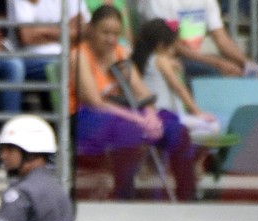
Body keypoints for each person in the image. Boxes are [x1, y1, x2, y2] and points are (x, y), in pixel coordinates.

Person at [71, 5, 197, 201]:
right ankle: (125, 199)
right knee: (129, 131)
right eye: (105, 32)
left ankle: (188, 199)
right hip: (88, 117)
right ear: (91, 29)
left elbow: (142, 93)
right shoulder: (79, 56)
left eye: (115, 34)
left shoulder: (121, 53)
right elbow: (95, 102)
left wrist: (151, 116)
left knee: (176, 129)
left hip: (124, 115)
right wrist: (137, 119)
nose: (111, 39)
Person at [131, 18, 221, 138]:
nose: (174, 51)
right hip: (164, 115)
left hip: (159, 114)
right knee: (213, 125)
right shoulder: (161, 60)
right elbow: (179, 88)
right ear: (161, 46)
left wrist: (172, 63)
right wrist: (197, 112)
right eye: (173, 47)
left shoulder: (149, 60)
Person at [137, 0, 258, 80]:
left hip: (194, 58)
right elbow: (171, 44)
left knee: (246, 72)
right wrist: (217, 63)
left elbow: (222, 39)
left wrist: (247, 64)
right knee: (214, 72)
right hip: (163, 58)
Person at [10, 0, 90, 82]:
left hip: (68, 56)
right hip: (32, 58)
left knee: (83, 65)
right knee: (70, 68)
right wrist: (66, 30)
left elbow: (83, 30)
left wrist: (42, 31)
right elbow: (27, 36)